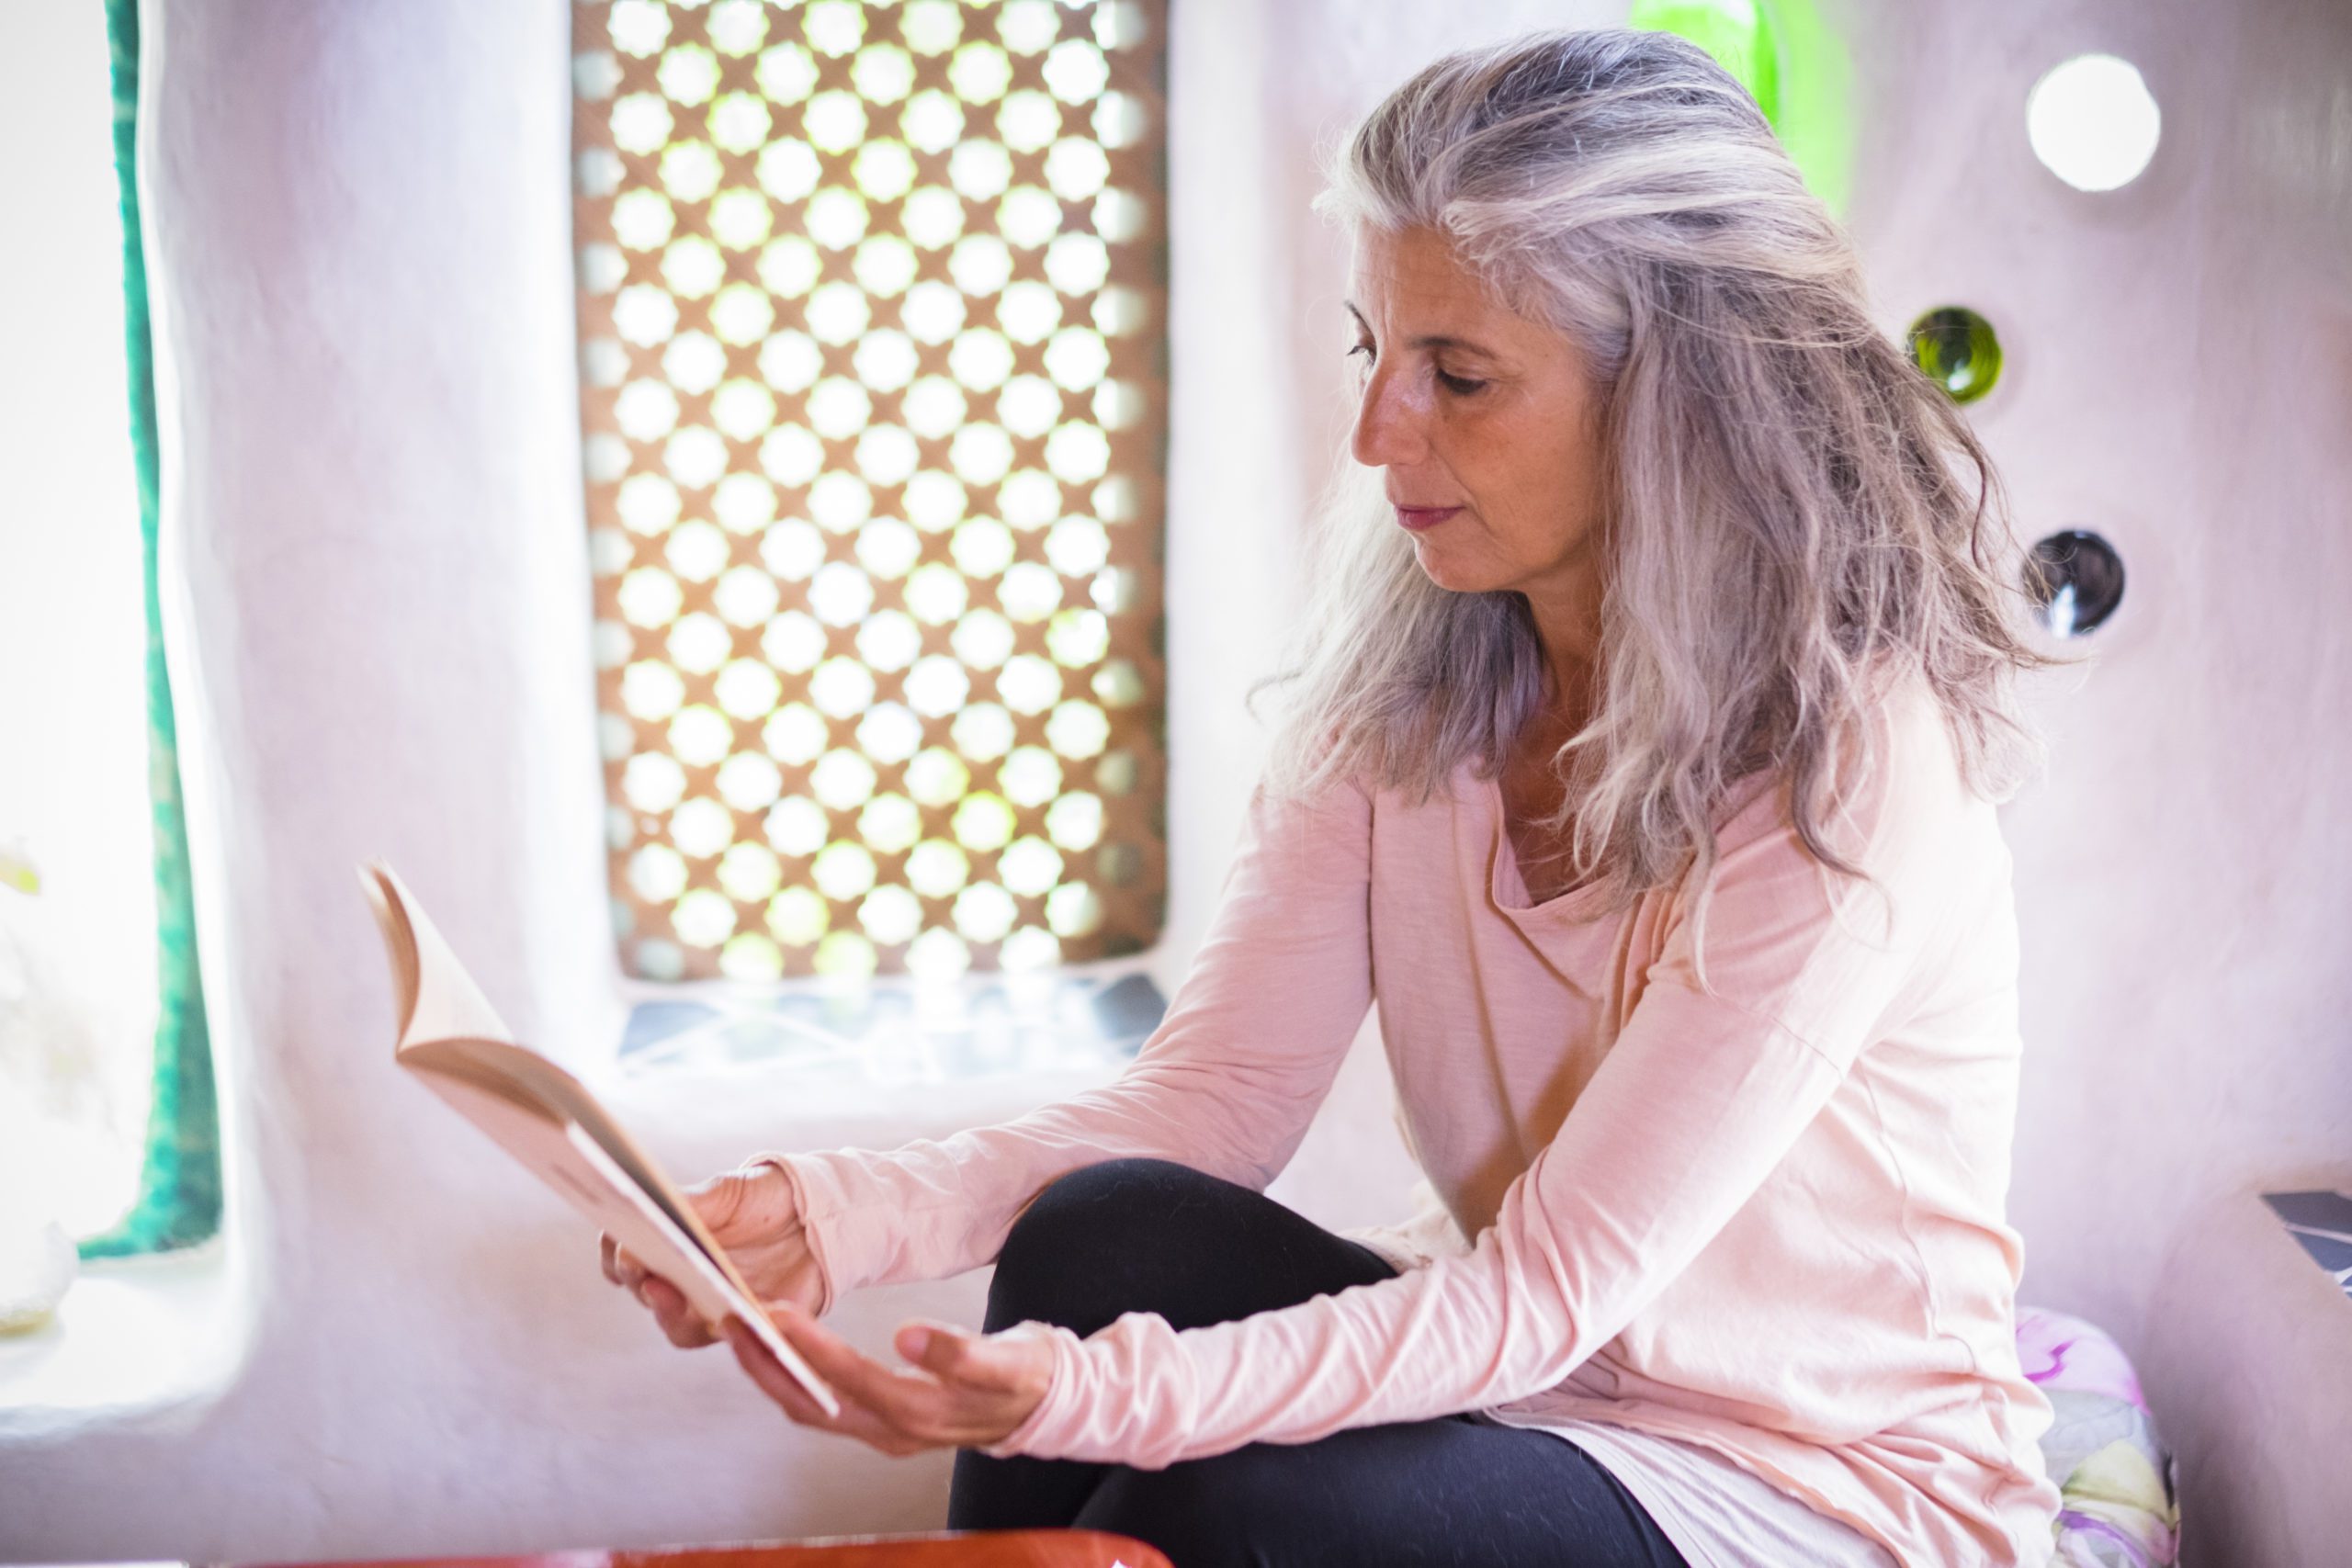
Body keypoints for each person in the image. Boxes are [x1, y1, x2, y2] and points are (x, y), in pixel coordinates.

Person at [600, 27, 2081, 1568]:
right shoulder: (1416, 686)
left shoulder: (1851, 752)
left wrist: (1081, 1396)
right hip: (1541, 1397)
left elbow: (1543, 1295)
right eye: (1376, 351)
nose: (1379, 436)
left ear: (1677, 397)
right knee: (1107, 1232)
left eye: (1462, 376)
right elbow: (1207, 1109)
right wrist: (829, 1215)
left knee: (1224, 1506)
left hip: (1816, 1488)